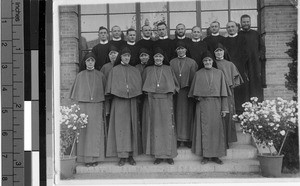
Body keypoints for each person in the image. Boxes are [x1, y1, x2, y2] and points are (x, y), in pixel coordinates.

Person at [188, 51, 229, 165]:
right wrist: (198, 97)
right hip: (202, 106)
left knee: (216, 131)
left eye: (210, 60)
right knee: (203, 131)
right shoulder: (198, 74)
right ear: (202, 62)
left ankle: (216, 156)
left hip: (216, 105)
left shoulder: (219, 73)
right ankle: (205, 156)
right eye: (205, 60)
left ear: (213, 61)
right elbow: (193, 93)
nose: (207, 62)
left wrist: (224, 108)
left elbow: (224, 93)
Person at [105, 47, 142, 166]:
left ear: (130, 57)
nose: (126, 58)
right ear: (120, 57)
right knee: (120, 129)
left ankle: (131, 155)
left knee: (131, 128)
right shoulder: (114, 70)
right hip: (119, 103)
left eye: (128, 56)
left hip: (132, 102)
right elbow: (109, 90)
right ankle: (121, 156)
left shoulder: (135, 70)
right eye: (124, 55)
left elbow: (139, 88)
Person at [142, 47, 179, 165]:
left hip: (166, 102)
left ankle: (169, 155)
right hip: (152, 102)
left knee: (167, 128)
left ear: (163, 58)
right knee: (155, 128)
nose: (158, 58)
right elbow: (142, 85)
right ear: (153, 58)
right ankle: (157, 155)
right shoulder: (148, 70)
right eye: (156, 56)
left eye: (160, 56)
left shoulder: (168, 69)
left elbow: (176, 86)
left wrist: (170, 91)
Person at [69, 52, 106, 167]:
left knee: (95, 132)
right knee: (84, 133)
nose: (90, 62)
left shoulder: (100, 75)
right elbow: (75, 95)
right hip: (83, 107)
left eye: (92, 60)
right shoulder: (80, 75)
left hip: (96, 106)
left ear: (95, 62)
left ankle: (95, 158)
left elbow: (105, 94)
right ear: (84, 62)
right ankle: (85, 159)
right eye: (88, 60)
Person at [214, 43, 244, 148]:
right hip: (215, 94)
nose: (218, 53)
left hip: (227, 94)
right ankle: (217, 141)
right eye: (216, 51)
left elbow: (235, 81)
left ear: (224, 52)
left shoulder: (230, 64)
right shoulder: (211, 64)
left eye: (220, 50)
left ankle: (227, 140)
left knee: (227, 116)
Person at [170, 41, 198, 148]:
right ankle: (176, 139)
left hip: (188, 93)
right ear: (176, 51)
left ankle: (188, 139)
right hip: (175, 94)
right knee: (176, 115)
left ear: (186, 50)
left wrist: (191, 91)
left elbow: (194, 79)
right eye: (178, 49)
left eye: (182, 49)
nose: (180, 51)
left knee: (188, 116)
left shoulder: (192, 62)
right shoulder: (172, 62)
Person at [239, 14, 266, 102]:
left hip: (254, 64)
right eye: (244, 22)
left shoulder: (255, 34)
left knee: (255, 84)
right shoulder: (238, 35)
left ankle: (256, 105)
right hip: (243, 64)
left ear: (250, 22)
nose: (246, 23)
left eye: (247, 22)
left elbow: (262, 47)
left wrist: (259, 56)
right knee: (244, 84)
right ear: (241, 23)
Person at [223, 21, 248, 114]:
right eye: (228, 27)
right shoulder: (224, 41)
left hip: (240, 69)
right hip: (228, 71)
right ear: (226, 29)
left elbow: (246, 55)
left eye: (232, 27)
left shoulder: (243, 39)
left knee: (240, 92)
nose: (231, 29)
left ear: (237, 28)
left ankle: (241, 113)